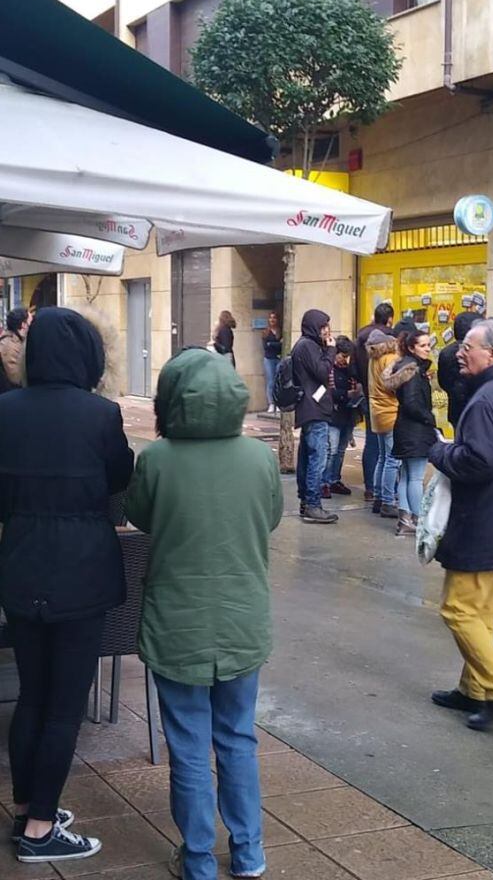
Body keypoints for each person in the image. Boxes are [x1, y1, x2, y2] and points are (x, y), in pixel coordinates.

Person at [125, 348, 283, 880]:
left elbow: (138, 515)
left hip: (176, 621)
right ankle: (249, 853)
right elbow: (272, 518)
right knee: (238, 737)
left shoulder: (156, 459)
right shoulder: (260, 458)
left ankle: (197, 860)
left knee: (188, 745)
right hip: (243, 618)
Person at [0, 307, 133, 864]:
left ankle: (32, 802)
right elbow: (121, 477)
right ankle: (38, 829)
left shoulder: (5, 409)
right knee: (64, 704)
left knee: (33, 693)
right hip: (82, 571)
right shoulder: (100, 414)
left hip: (21, 563)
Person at [428, 321, 493, 732]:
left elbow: (479, 461)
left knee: (458, 610)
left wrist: (440, 451)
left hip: (485, 521)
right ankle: (474, 688)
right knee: (483, 613)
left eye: (468, 347)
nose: (459, 352)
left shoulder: (489, 398)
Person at [291, 309, 337, 524]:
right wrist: (331, 350)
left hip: (311, 407)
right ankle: (312, 504)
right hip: (314, 409)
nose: (327, 331)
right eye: (324, 326)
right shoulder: (308, 346)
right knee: (317, 458)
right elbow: (322, 371)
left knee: (308, 457)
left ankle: (307, 501)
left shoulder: (305, 345)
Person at [392, 329, 438, 537]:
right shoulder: (412, 370)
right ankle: (419, 519)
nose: (427, 349)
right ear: (411, 348)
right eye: (423, 345)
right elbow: (412, 403)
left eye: (429, 345)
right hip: (415, 430)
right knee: (416, 478)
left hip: (405, 428)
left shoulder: (406, 368)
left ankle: (405, 519)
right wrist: (429, 418)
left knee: (406, 475)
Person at [354, 303, 395, 501]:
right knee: (389, 452)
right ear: (389, 319)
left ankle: (372, 488)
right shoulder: (390, 341)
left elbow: (353, 367)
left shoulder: (362, 335)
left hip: (368, 394)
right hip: (387, 402)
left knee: (373, 444)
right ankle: (386, 494)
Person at [366, 326, 403, 518]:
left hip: (377, 413)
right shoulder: (390, 359)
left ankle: (379, 497)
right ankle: (388, 501)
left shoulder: (373, 359)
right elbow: (394, 385)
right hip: (390, 411)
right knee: (392, 460)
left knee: (382, 457)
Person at [322, 336, 361, 498]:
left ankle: (334, 479)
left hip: (348, 413)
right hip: (333, 414)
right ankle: (323, 482)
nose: (346, 360)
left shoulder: (351, 370)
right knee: (331, 450)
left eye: (348, 356)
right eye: (343, 356)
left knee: (340, 450)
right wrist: (346, 394)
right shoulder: (328, 369)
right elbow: (326, 392)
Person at [437, 311, 481, 429]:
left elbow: (442, 381)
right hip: (476, 407)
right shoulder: (478, 351)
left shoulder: (446, 352)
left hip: (455, 407)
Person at [0, 306, 30, 393]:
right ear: (23, 325)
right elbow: (17, 378)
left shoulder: (16, 341)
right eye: (30, 322)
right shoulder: (10, 346)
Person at [262, 311, 283, 413]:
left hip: (278, 358)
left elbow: (282, 345)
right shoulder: (265, 332)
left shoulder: (281, 331)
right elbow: (266, 346)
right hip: (269, 359)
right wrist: (277, 343)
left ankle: (278, 403)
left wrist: (272, 344)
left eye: (274, 318)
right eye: (270, 318)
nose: (272, 320)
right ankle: (271, 404)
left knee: (278, 381)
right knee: (270, 382)